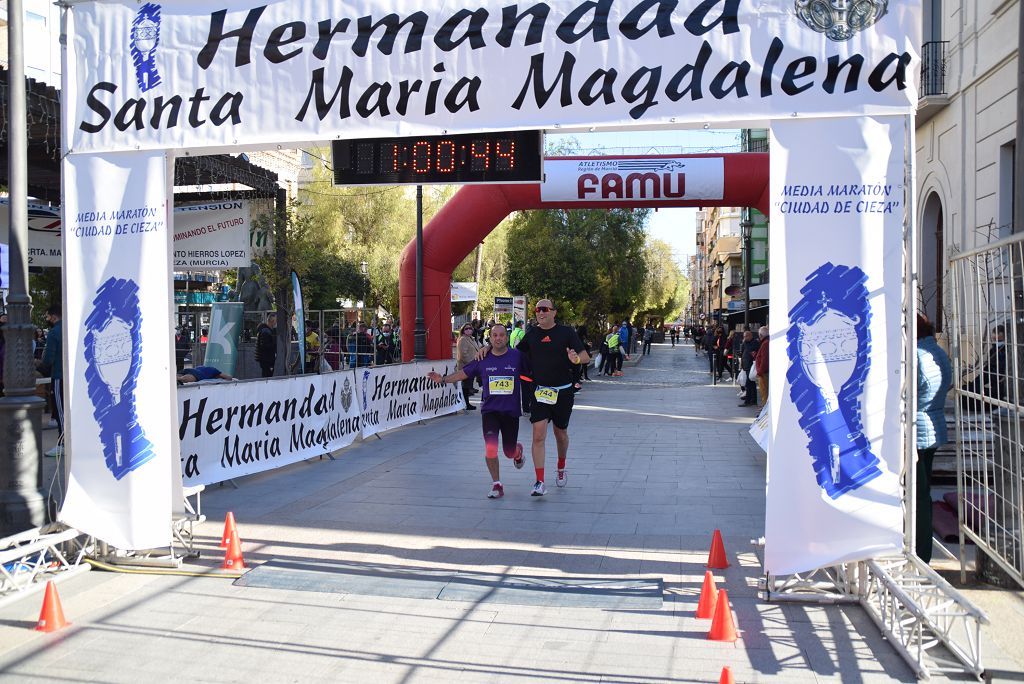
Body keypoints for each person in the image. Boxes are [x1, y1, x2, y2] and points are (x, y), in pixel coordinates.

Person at [481, 299, 589, 496]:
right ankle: (539, 481)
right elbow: (510, 354)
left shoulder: (566, 333)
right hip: (540, 393)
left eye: (545, 309)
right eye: (537, 309)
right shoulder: (531, 334)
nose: (540, 312)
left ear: (554, 313)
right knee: (538, 436)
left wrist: (576, 359)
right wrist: (489, 348)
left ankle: (561, 466)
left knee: (560, 434)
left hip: (563, 392)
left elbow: (585, 356)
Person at [428, 324, 527, 498]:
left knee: (508, 452)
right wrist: (443, 379)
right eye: (494, 335)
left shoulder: (517, 357)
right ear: (490, 338)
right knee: (490, 448)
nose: (498, 338)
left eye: (502, 335)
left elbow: (534, 371)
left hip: (510, 412)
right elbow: (463, 373)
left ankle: (517, 452)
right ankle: (497, 484)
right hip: (490, 411)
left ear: (506, 337)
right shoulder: (483, 359)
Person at [916, 313, 951, 563]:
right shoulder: (938, 352)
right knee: (922, 492)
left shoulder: (916, 356)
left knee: (917, 497)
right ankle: (922, 550)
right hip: (933, 428)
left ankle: (919, 552)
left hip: (916, 431)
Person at [40, 305, 63, 448]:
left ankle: (62, 443)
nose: (47, 319)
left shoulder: (54, 332)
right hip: (71, 376)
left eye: (47, 316)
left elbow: (48, 359)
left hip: (59, 375)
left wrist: (39, 363)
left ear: (54, 317)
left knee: (60, 412)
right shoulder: (69, 328)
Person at [456, 322, 482, 410]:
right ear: (463, 330)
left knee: (468, 386)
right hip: (466, 366)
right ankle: (465, 403)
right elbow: (463, 354)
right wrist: (471, 364)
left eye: (469, 328)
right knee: (466, 386)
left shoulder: (471, 339)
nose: (468, 330)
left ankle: (467, 403)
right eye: (466, 329)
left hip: (473, 366)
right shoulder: (463, 339)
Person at [738, 329, 759, 406]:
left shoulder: (755, 343)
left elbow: (754, 353)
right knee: (751, 384)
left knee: (749, 383)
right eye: (744, 336)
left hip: (751, 365)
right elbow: (743, 353)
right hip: (746, 365)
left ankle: (748, 401)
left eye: (746, 336)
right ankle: (753, 400)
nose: (745, 337)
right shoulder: (744, 343)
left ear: (750, 336)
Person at [255, 313, 277, 377]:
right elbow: (264, 346)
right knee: (267, 376)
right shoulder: (266, 331)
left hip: (266, 359)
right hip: (267, 360)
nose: (276, 323)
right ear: (272, 321)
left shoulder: (267, 330)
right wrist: (274, 344)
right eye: (275, 321)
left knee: (267, 375)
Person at [754, 326, 769, 408]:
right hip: (764, 372)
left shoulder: (765, 343)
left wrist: (759, 372)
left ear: (760, 335)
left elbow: (764, 359)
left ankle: (765, 410)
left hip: (764, 373)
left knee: (764, 392)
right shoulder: (766, 342)